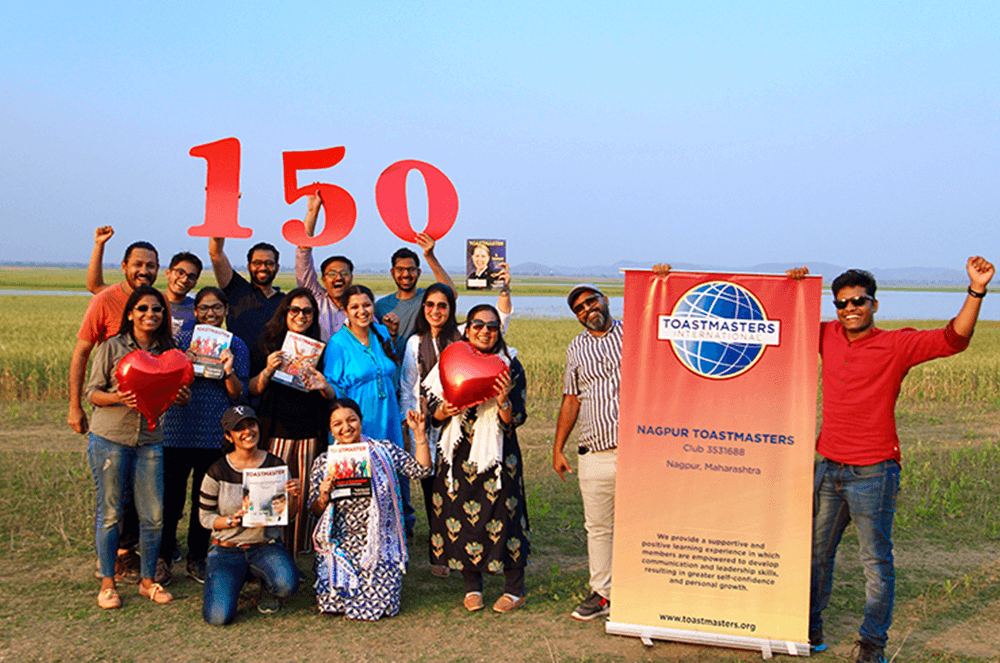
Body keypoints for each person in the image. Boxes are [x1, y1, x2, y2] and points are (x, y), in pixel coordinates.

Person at [788, 257, 994, 663]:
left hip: (874, 472)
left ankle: (872, 645)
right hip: (827, 467)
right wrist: (794, 286)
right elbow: (778, 322)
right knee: (815, 555)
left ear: (875, 305)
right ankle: (810, 632)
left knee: (875, 562)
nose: (850, 309)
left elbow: (955, 339)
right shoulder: (826, 335)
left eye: (859, 301)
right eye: (842, 303)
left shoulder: (897, 344)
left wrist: (977, 290)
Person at [552, 266, 671, 622]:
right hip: (594, 452)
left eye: (591, 301)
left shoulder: (637, 332)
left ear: (606, 299)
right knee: (598, 527)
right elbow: (571, 399)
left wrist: (662, 281)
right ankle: (602, 593)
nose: (588, 310)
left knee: (644, 521)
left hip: (639, 449)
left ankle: (645, 590)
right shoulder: (576, 348)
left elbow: (668, 322)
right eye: (580, 309)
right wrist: (558, 447)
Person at [398, 270, 513, 578]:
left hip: (459, 423)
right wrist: (414, 424)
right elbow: (411, 385)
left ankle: (465, 548)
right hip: (428, 420)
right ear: (423, 309)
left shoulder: (461, 337)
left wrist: (504, 290)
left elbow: (498, 321)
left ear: (451, 310)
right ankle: (439, 553)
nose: (436, 311)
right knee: (431, 486)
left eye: (443, 306)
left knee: (454, 487)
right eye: (430, 305)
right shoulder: (414, 343)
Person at [85, 285, 190, 609]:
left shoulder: (171, 353)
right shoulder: (112, 347)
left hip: (150, 442)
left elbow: (172, 397)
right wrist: (118, 397)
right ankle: (107, 584)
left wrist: (180, 398)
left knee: (154, 515)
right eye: (142, 309)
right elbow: (93, 394)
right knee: (111, 513)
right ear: (130, 313)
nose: (150, 315)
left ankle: (148, 581)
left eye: (157, 309)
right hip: (111, 439)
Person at [424, 304, 530, 613]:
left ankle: (514, 588)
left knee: (506, 516)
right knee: (460, 513)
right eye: (478, 324)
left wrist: (503, 401)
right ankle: (472, 585)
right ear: (467, 329)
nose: (485, 330)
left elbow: (516, 418)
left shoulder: (510, 365)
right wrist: (446, 410)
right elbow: (435, 410)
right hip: (457, 453)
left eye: (492, 326)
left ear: (499, 331)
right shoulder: (450, 359)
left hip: (498, 456)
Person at [309, 398, 432, 620]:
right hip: (341, 542)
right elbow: (315, 511)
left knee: (379, 605)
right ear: (330, 429)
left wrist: (420, 435)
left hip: (379, 541)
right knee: (333, 603)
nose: (346, 428)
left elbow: (421, 471)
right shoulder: (324, 462)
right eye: (337, 424)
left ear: (361, 421)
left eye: (351, 420)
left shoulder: (383, 451)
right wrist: (323, 494)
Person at [159, 286, 250, 585]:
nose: (210, 314)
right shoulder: (179, 341)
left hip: (214, 434)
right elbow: (164, 387)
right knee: (170, 500)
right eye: (204, 308)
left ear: (226, 311)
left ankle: (197, 557)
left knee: (206, 500)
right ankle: (163, 556)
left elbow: (239, 396)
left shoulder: (236, 345)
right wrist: (180, 364)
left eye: (217, 308)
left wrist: (229, 371)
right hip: (177, 431)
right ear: (195, 311)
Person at [249, 287, 334, 556]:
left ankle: (299, 551)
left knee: (304, 492)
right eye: (294, 310)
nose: (301, 315)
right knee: (271, 493)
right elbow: (252, 389)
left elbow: (329, 394)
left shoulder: (322, 348)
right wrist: (268, 370)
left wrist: (322, 384)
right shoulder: (268, 343)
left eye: (307, 311)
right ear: (284, 312)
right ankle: (265, 550)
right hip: (275, 430)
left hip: (309, 430)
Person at [199, 405, 301, 625]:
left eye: (251, 425)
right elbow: (205, 517)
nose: (248, 432)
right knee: (218, 618)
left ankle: (264, 583)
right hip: (227, 548)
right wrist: (230, 521)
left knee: (287, 585)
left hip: (265, 545)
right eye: (239, 429)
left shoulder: (275, 465)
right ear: (229, 436)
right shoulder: (216, 471)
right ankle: (232, 579)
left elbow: (288, 517)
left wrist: (293, 497)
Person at [323, 285, 413, 533]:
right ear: (345, 310)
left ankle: (392, 529)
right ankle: (357, 531)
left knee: (389, 471)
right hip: (360, 417)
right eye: (355, 307)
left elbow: (391, 371)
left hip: (388, 414)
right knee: (360, 475)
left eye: (367, 305)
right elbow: (334, 389)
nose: (362, 311)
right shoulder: (338, 343)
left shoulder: (382, 333)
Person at [68, 237, 159, 434]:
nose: (144, 271)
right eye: (138, 264)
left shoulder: (159, 304)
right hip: (112, 413)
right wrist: (74, 406)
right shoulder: (105, 300)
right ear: (124, 266)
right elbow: (81, 353)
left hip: (150, 422)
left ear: (158, 269)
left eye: (150, 266)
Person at [87, 226, 202, 336]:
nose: (184, 279)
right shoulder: (135, 297)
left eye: (191, 276)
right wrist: (99, 245)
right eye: (180, 273)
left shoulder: (189, 307)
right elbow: (95, 287)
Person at [374, 239, 456, 358]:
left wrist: (430, 256)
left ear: (419, 272)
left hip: (423, 365)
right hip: (393, 368)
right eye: (400, 269)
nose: (406, 274)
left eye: (411, 269)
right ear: (392, 272)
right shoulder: (381, 306)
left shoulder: (427, 299)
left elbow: (450, 295)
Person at [294, 189, 354, 341]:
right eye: (332, 274)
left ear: (351, 278)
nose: (338, 277)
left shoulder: (359, 307)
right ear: (323, 279)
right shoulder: (315, 300)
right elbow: (303, 255)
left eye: (344, 273)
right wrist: (313, 212)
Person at [208, 237, 284, 353]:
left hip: (272, 369)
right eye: (257, 263)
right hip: (237, 366)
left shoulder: (285, 301)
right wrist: (220, 225)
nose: (263, 268)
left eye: (269, 263)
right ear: (249, 266)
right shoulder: (236, 290)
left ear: (277, 268)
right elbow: (215, 254)